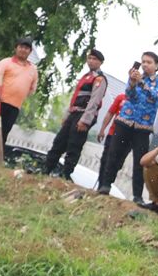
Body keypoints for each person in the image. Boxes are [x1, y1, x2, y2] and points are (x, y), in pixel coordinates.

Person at [97, 51, 158, 201]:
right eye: (143, 62)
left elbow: (157, 97)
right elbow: (130, 96)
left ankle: (137, 195)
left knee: (140, 161)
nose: (145, 65)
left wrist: (142, 82)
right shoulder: (135, 77)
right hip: (125, 121)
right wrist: (133, 82)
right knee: (114, 153)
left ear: (156, 65)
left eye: (149, 62)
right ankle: (105, 185)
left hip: (143, 126)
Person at [42, 49, 108, 179]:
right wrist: (67, 115)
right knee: (59, 141)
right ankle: (46, 169)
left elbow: (94, 101)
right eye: (89, 58)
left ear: (100, 62)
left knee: (74, 144)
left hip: (84, 114)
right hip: (74, 112)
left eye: (95, 59)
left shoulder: (99, 79)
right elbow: (75, 97)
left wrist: (85, 120)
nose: (91, 61)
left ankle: (66, 174)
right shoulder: (85, 77)